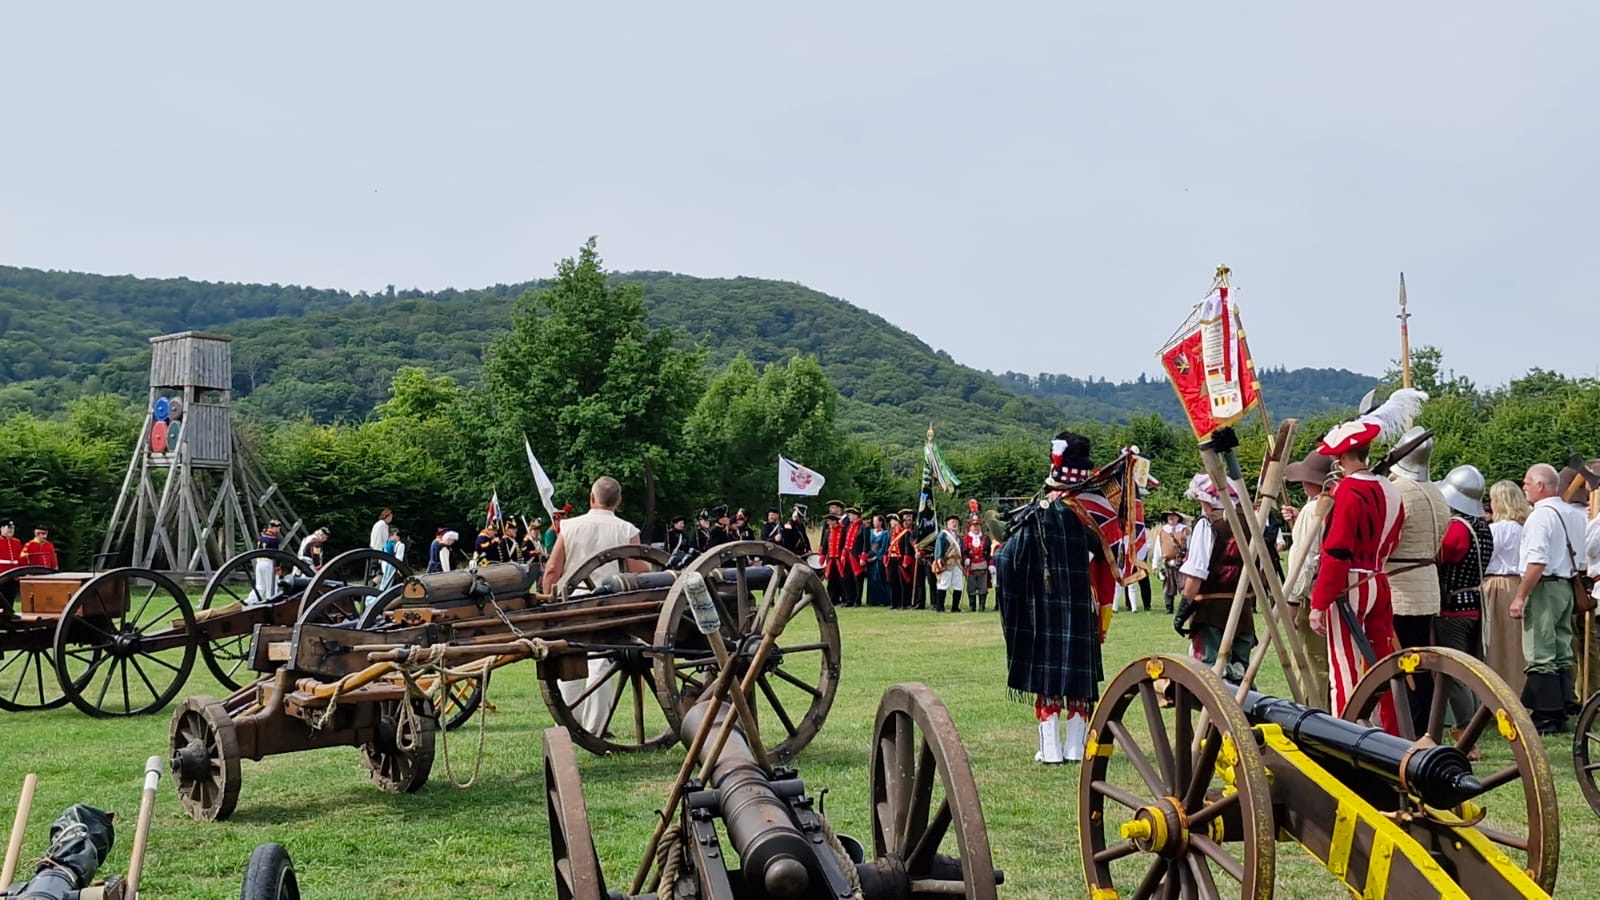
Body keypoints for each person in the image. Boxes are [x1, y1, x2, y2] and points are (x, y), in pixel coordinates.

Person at [995, 431, 1115, 764]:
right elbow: (1110, 554)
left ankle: (1051, 750)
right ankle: (1076, 748)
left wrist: (999, 552)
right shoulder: (1095, 509)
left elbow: (1009, 558)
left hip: (1046, 604)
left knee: (1048, 678)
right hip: (1081, 603)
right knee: (1079, 676)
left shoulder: (1043, 511)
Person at [1308, 389, 1422, 732]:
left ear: (1342, 458)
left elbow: (1337, 550)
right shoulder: (1389, 489)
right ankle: (1390, 728)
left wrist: (1320, 601)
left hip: (1349, 583)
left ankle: (1346, 731)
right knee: (1380, 661)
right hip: (1379, 579)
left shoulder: (1347, 491)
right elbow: (1393, 537)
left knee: (1344, 663)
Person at [540, 476, 653, 736]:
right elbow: (638, 572)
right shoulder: (626, 530)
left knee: (569, 659)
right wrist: (651, 568)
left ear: (591, 498)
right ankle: (594, 729)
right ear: (619, 501)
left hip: (574, 603)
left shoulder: (570, 526)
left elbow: (552, 569)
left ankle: (567, 725)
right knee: (601, 667)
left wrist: (548, 604)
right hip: (611, 606)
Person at [1509, 463, 1588, 734]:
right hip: (1567, 586)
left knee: (1540, 652)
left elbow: (1537, 561)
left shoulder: (1540, 517)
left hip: (1544, 586)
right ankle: (1565, 706)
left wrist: (1520, 596)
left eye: (1527, 482)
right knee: (1562, 650)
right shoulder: (1575, 514)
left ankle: (1546, 716)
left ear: (1541, 486)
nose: (1524, 487)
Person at [1385, 427, 1450, 733]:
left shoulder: (1397, 491)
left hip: (1400, 585)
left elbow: (1386, 542)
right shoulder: (1437, 491)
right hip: (1426, 583)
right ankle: (1423, 725)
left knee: (1405, 664)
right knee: (1421, 663)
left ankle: (1411, 726)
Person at [1432, 464, 1491, 754]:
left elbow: (1439, 556)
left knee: (1455, 673)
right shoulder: (1483, 526)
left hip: (1452, 608)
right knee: (1468, 670)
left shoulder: (1457, 528)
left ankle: (1467, 730)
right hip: (1474, 606)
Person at [1174, 474, 1256, 682]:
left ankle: (1216, 716)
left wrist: (1183, 608)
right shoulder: (1251, 521)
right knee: (1240, 675)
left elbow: (1196, 573)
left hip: (1210, 613)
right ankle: (1241, 715)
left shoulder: (1207, 524)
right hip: (1242, 611)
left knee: (1211, 678)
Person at [1283, 449, 1334, 709]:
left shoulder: (1314, 509)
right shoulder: (1335, 503)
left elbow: (1305, 560)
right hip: (1336, 594)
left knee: (1313, 664)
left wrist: (1291, 600)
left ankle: (1315, 716)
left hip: (1312, 596)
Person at [1484, 480, 1531, 695]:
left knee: (1496, 641)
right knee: (1515, 644)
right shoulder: (1525, 528)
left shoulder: (1497, 530)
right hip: (1518, 584)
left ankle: (1496, 694)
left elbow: (1486, 559)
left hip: (1497, 585)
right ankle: (1518, 689)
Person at [1154, 511, 1189, 614]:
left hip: (1182, 563)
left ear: (1178, 518)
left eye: (1173, 516)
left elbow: (1190, 545)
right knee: (1168, 587)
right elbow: (1158, 548)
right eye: (1169, 517)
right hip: (1168, 563)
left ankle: (1184, 608)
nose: (1171, 518)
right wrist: (1155, 564)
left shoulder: (1185, 530)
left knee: (1184, 586)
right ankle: (1169, 608)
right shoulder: (1162, 531)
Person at [932, 515, 965, 612]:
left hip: (957, 563)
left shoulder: (959, 537)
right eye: (953, 522)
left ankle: (955, 607)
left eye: (956, 522)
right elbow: (938, 548)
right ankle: (940, 607)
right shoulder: (943, 535)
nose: (955, 524)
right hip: (946, 563)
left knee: (958, 585)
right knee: (943, 584)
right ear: (947, 524)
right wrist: (938, 559)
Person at [963, 514, 995, 612]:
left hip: (983, 566)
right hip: (971, 567)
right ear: (970, 527)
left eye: (978, 526)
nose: (976, 528)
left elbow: (989, 554)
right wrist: (965, 559)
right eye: (974, 526)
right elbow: (963, 552)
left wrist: (991, 564)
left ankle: (982, 606)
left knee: (983, 587)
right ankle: (972, 607)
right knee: (971, 587)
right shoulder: (965, 539)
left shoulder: (986, 539)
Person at [865, 514, 890, 607]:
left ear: (881, 522)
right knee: (871, 579)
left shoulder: (885, 534)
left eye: (876, 521)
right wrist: (867, 556)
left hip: (879, 559)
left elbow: (884, 547)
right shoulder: (870, 532)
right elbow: (867, 544)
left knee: (879, 578)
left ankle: (883, 600)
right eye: (874, 521)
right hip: (869, 557)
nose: (875, 523)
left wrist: (876, 557)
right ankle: (873, 600)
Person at [0, 520, 24, 612]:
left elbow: (20, 559)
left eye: (12, 528)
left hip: (13, 575)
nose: (11, 530)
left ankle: (9, 615)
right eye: (8, 528)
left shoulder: (16, 542)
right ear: (1, 528)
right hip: (2, 575)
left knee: (10, 597)